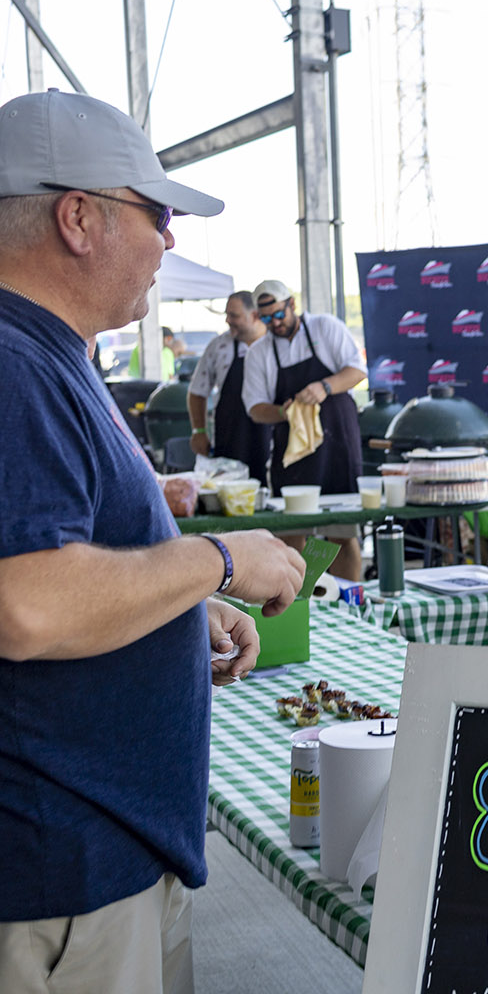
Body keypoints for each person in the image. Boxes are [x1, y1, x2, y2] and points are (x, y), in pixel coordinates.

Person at [0, 88, 306, 994]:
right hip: (62, 875)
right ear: (79, 218)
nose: (170, 242)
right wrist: (219, 558)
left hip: (102, 854)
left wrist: (180, 606)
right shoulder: (14, 362)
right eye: (158, 214)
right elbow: (25, 603)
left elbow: (68, 562)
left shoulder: (49, 354)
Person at [242, 278, 367, 579]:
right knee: (289, 537)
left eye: (278, 314)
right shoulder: (259, 354)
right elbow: (256, 409)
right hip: (294, 455)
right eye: (266, 318)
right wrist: (284, 412)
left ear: (292, 304)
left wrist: (325, 387)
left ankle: (347, 606)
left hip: (338, 446)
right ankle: (293, 608)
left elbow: (358, 370)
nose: (275, 323)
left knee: (342, 535)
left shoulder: (326, 327)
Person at [188, 290, 273, 484]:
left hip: (271, 440)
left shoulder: (274, 343)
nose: (227, 320)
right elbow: (197, 392)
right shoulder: (218, 346)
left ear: (255, 316)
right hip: (230, 439)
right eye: (226, 314)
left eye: (234, 315)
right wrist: (199, 431)